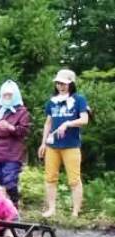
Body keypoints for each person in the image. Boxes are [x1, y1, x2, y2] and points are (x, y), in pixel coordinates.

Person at [37, 69, 89, 217]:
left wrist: (68, 123)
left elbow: (84, 120)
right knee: (50, 178)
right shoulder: (51, 102)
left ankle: (75, 212)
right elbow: (48, 123)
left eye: (64, 83)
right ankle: (52, 209)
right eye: (59, 83)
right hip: (52, 146)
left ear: (71, 84)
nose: (61, 86)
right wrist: (43, 143)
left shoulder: (79, 100)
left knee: (74, 179)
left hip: (71, 145)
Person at [0, 79, 30, 207]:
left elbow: (24, 131)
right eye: (5, 95)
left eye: (10, 95)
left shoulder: (22, 112)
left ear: (16, 95)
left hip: (12, 152)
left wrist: (10, 127)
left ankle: (14, 206)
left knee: (10, 181)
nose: (7, 97)